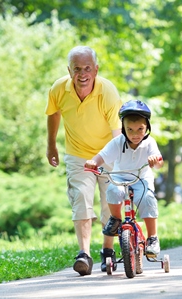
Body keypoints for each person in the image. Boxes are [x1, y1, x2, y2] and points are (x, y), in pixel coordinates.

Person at [45, 46, 123, 276]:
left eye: (87, 68)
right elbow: (54, 113)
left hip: (108, 153)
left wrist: (115, 162)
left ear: (96, 69)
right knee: (80, 198)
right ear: (69, 70)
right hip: (78, 154)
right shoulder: (59, 89)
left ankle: (107, 251)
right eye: (77, 68)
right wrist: (51, 145)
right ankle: (84, 254)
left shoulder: (107, 92)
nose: (82, 74)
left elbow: (117, 134)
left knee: (111, 204)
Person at [84, 100, 164, 257]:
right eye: (130, 130)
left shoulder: (149, 143)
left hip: (142, 178)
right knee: (113, 190)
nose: (135, 134)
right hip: (120, 177)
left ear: (147, 127)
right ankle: (116, 219)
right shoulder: (117, 142)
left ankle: (152, 237)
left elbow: (159, 163)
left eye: (140, 129)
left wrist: (156, 160)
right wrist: (93, 162)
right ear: (123, 129)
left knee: (147, 198)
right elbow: (101, 157)